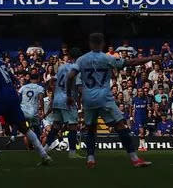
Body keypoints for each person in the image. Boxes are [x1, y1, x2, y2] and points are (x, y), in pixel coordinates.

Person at [66, 33, 160, 169]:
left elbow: (70, 77)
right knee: (120, 125)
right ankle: (134, 159)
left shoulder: (81, 60)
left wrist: (69, 95)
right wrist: (151, 57)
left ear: (90, 44)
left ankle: (91, 158)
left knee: (91, 128)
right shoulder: (107, 58)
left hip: (88, 99)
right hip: (104, 97)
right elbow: (131, 62)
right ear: (102, 43)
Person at [0, 51, 51, 167]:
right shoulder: (0, 61)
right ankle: (44, 155)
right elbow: (14, 78)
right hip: (13, 96)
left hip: (2, 97)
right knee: (23, 127)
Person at [44, 49, 82, 158]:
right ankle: (72, 153)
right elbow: (79, 87)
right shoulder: (77, 69)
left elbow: (53, 81)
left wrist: (54, 97)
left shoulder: (61, 67)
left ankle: (44, 149)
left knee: (56, 125)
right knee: (73, 126)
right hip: (68, 100)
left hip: (57, 99)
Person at [18, 71, 45, 139]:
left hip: (23, 110)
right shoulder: (40, 88)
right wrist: (42, 110)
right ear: (38, 79)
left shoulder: (23, 87)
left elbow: (18, 97)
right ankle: (38, 143)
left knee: (22, 126)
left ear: (30, 79)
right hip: (33, 112)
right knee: (36, 128)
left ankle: (13, 135)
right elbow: (41, 100)